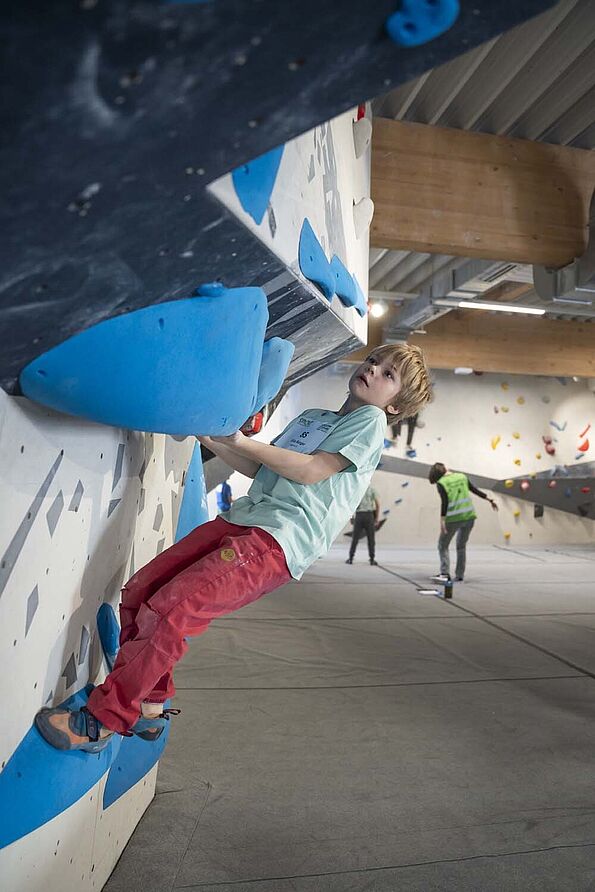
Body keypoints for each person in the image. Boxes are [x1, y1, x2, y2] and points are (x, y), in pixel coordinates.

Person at [36, 344, 432, 752]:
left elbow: (312, 471)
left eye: (389, 375)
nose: (373, 370)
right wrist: (212, 437)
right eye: (374, 361)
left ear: (395, 406)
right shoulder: (315, 417)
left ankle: (103, 720)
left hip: (277, 538)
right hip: (244, 518)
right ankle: (150, 706)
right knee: (141, 591)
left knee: (173, 611)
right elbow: (261, 468)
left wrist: (239, 442)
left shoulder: (370, 421)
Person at [428, 463, 498, 583]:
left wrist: (442, 521)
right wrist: (489, 499)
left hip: (454, 518)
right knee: (461, 546)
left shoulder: (441, 483)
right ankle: (460, 575)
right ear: (444, 468)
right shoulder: (462, 476)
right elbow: (474, 490)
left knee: (443, 545)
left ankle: (444, 573)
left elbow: (445, 502)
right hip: (469, 516)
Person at [346, 484, 380, 565]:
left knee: (355, 538)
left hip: (359, 516)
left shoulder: (357, 489)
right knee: (371, 538)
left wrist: (351, 517)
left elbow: (352, 504)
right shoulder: (372, 490)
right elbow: (377, 505)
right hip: (369, 515)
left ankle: (350, 558)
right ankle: (372, 559)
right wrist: (376, 518)